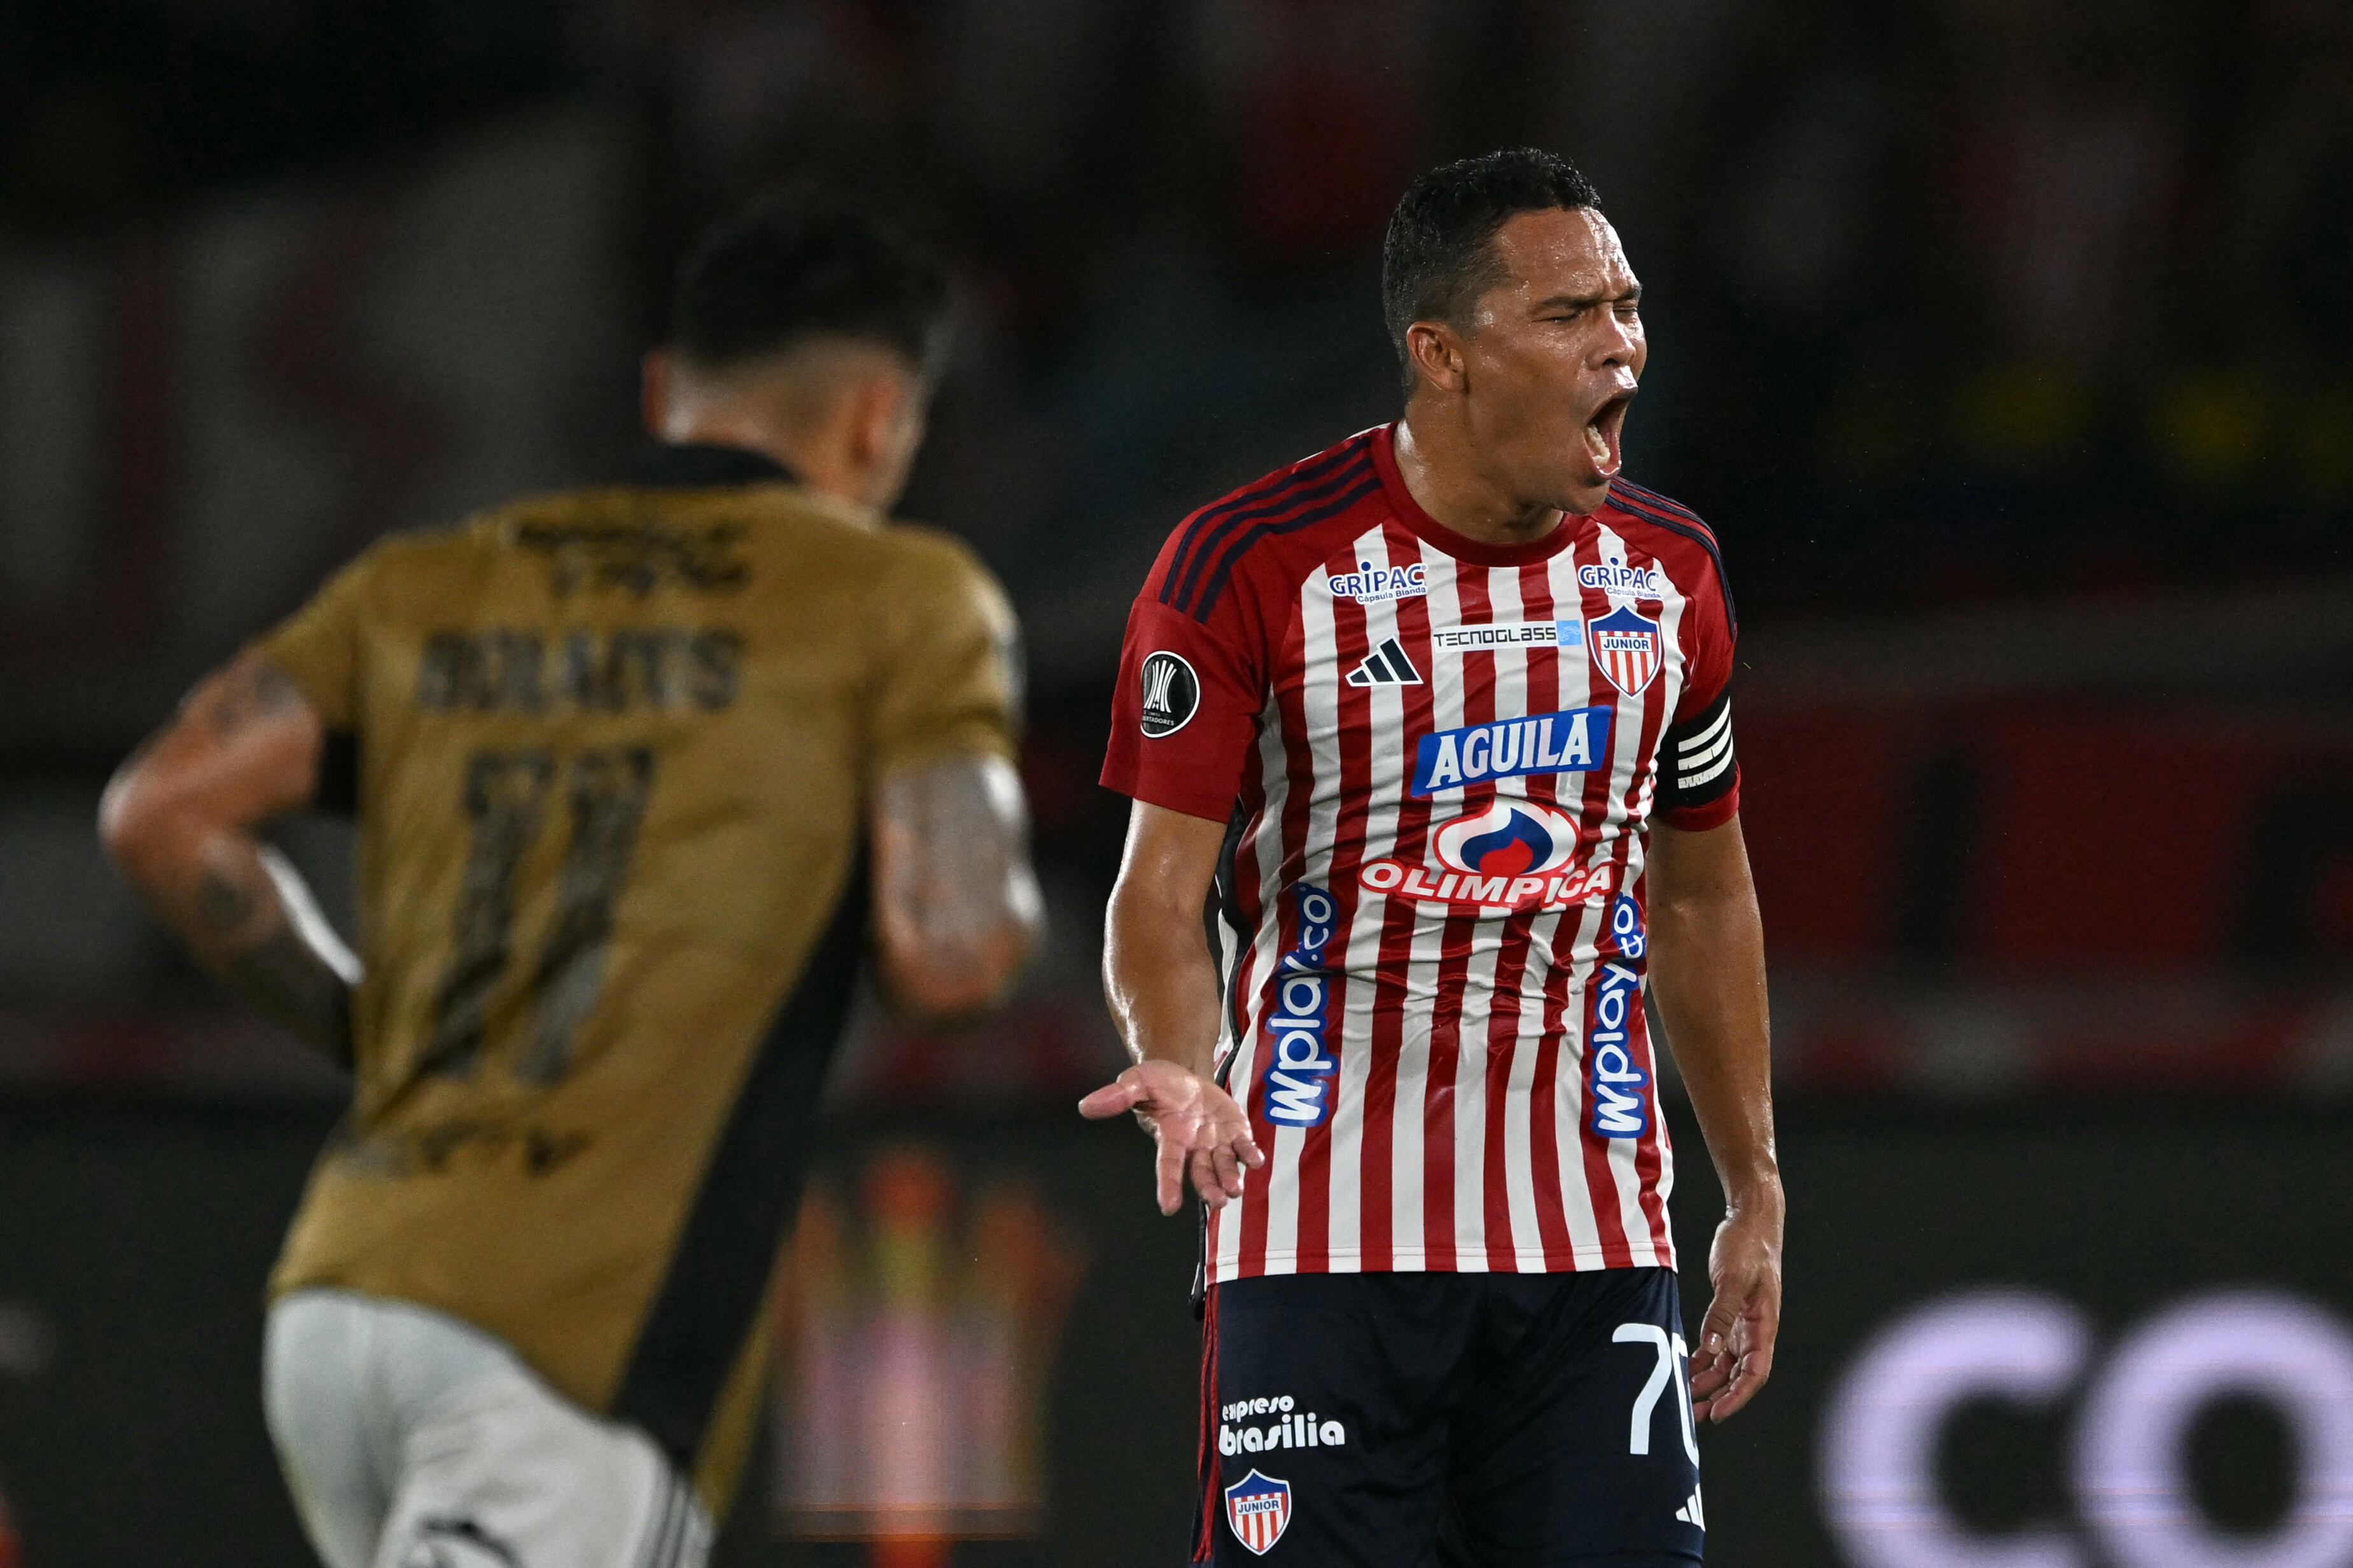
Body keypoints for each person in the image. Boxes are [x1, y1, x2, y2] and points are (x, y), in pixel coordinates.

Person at [99, 192, 1042, 1568]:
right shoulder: (897, 599)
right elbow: (952, 957)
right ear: (876, 420)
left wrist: (369, 1034)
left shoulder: (430, 583)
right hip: (568, 1336)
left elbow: (161, 815)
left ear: (664, 392)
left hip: (343, 1296)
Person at [1081, 148, 1781, 1565]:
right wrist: (1179, 1061)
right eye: (1570, 314)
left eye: (1627, 307)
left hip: (1591, 1245)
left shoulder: (1672, 577)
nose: (1621, 345)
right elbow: (1156, 895)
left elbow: (1704, 898)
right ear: (1441, 354)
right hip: (1319, 1237)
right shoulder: (1248, 565)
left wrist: (1753, 1186)